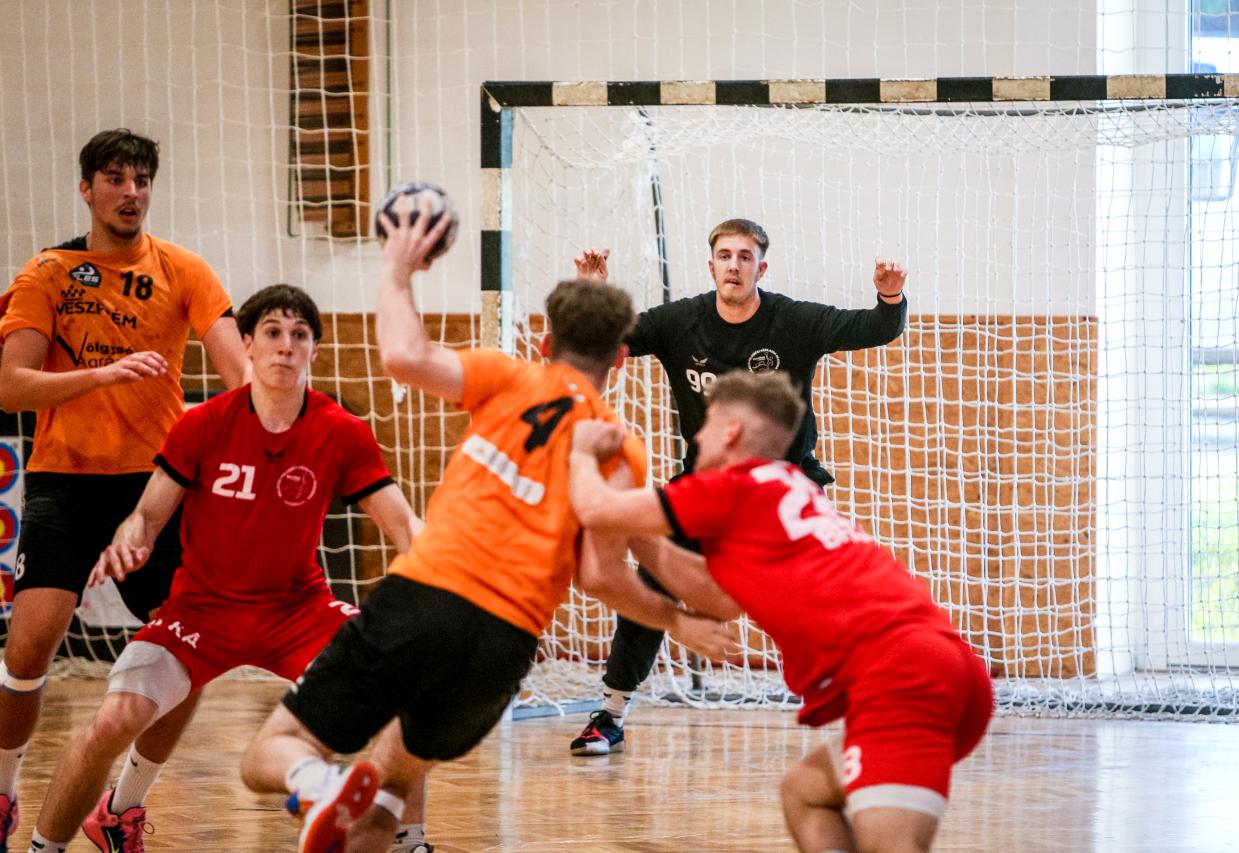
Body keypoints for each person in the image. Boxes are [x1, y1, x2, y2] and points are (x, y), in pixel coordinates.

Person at [238, 201, 738, 853]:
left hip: (425, 598)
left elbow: (404, 356)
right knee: (390, 789)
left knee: (273, 750)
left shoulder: (510, 376)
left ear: (544, 343)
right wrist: (680, 618)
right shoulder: (621, 449)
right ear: (621, 357)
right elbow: (600, 575)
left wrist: (397, 269)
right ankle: (360, 802)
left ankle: (318, 781)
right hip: (504, 646)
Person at [21, 284, 431, 853]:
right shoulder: (204, 424)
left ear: (314, 349)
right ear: (247, 345)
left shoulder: (341, 431)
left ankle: (410, 842)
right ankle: (51, 843)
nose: (285, 346)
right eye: (272, 333)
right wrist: (128, 542)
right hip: (201, 612)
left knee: (398, 697)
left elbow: (404, 523)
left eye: (299, 335)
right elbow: (147, 516)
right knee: (114, 720)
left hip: (297, 611)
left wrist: (445, 579)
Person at [567, 370, 993, 853]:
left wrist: (579, 450)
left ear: (730, 432)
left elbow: (596, 509)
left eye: (706, 425)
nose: (697, 438)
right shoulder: (788, 487)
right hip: (949, 668)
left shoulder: (731, 488)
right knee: (805, 793)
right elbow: (720, 598)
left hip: (900, 676)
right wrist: (640, 542)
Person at [567, 220, 908, 755]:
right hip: (705, 487)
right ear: (711, 266)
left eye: (745, 257)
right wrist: (592, 295)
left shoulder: (793, 320)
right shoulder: (680, 320)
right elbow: (608, 342)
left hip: (781, 489)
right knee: (651, 586)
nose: (733, 265)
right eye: (725, 256)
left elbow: (874, 328)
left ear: (760, 268)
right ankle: (610, 714)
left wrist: (889, 298)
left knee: (820, 599)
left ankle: (870, 704)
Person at [0, 128, 246, 852]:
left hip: (156, 490)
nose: (131, 192)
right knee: (29, 649)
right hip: (66, 481)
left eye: (141, 180)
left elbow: (238, 376)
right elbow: (11, 384)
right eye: (115, 178)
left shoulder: (184, 268)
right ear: (87, 189)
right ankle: (4, 791)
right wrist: (101, 375)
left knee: (191, 652)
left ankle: (122, 805)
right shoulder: (48, 273)